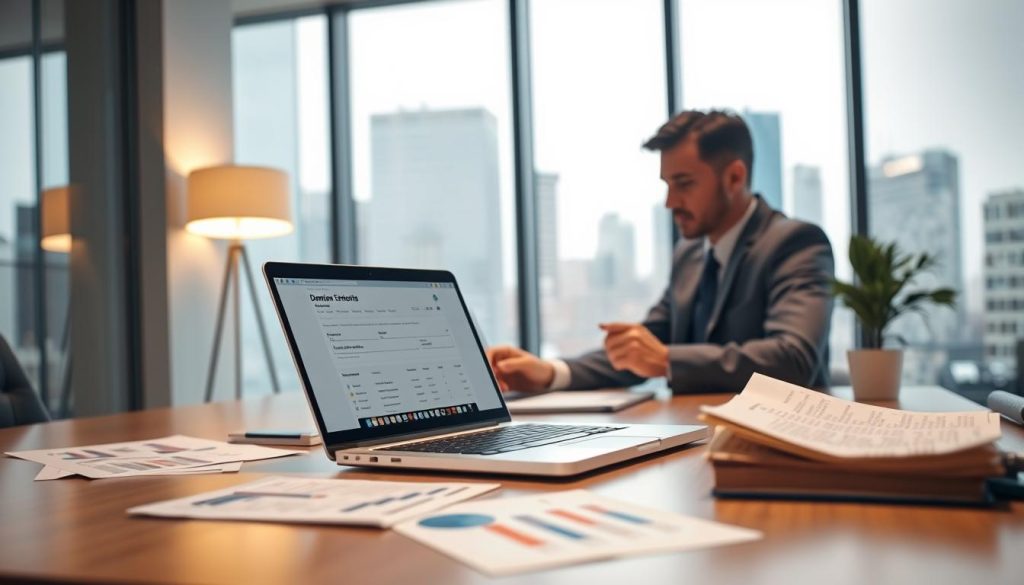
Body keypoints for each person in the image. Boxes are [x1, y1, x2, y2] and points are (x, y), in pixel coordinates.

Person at [487, 110, 835, 394]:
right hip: (695, 434)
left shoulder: (796, 242)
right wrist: (550, 372)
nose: (670, 203)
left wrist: (668, 359)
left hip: (777, 451)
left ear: (734, 177)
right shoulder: (689, 255)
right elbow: (641, 349)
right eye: (667, 186)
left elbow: (794, 358)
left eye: (684, 184)